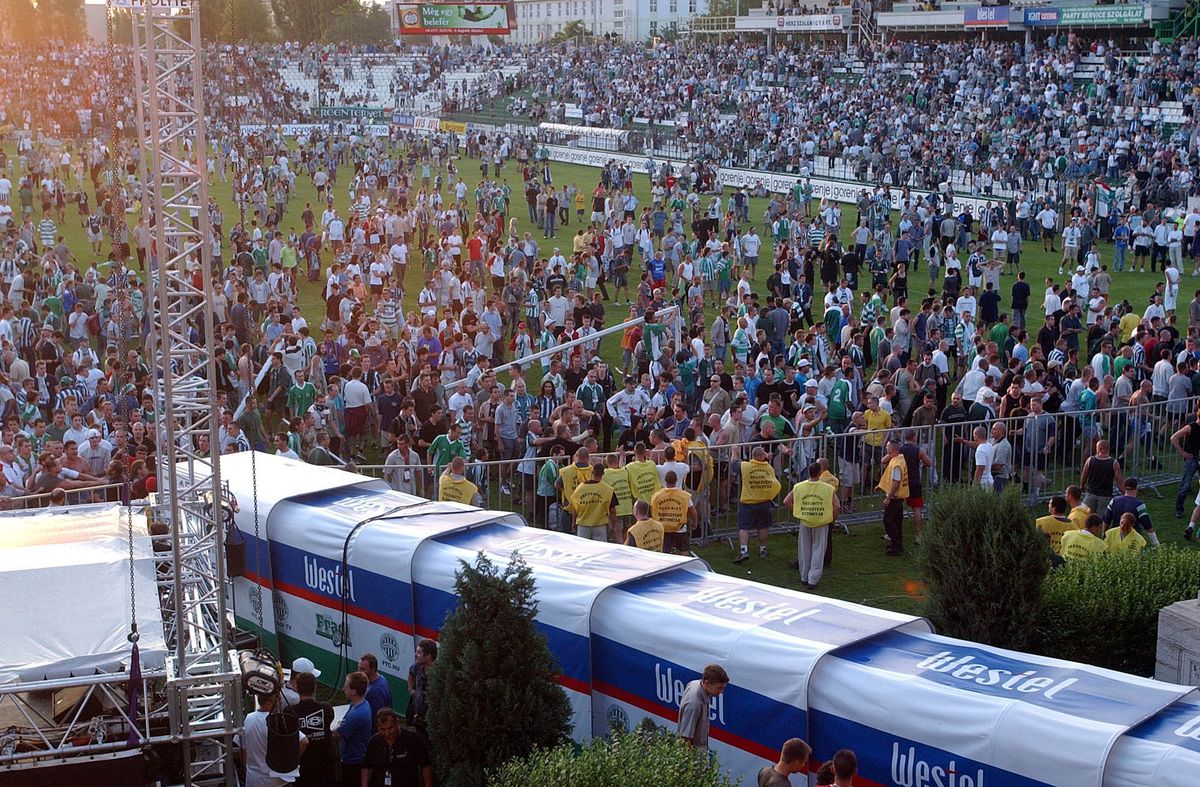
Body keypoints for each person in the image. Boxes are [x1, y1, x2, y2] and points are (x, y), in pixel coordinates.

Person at [783, 461, 839, 589]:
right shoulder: (828, 488)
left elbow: (786, 501)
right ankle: (813, 579)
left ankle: (804, 576)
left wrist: (797, 511)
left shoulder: (798, 486)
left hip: (805, 520)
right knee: (818, 549)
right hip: (821, 521)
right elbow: (837, 506)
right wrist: (832, 518)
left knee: (804, 549)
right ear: (820, 473)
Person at [241, 691, 308, 787]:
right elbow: (304, 741)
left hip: (254, 779)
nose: (278, 704)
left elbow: (243, 749)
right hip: (277, 780)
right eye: (277, 701)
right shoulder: (277, 722)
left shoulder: (248, 719)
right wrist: (289, 759)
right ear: (268, 704)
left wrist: (247, 769)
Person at [361, 707, 433, 787]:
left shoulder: (413, 740)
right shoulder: (374, 742)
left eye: (390, 728)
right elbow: (366, 767)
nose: (387, 733)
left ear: (396, 723)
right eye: (382, 729)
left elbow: (425, 766)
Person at [734, 446, 781, 563]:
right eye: (764, 454)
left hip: (748, 502)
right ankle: (763, 550)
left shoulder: (746, 466)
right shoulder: (768, 468)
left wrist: (734, 452)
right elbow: (774, 483)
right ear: (760, 456)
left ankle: (744, 551)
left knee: (743, 527)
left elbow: (734, 464)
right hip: (764, 502)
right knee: (763, 526)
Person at [291, 672, 335, 787]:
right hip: (324, 769)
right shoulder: (326, 709)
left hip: (303, 770)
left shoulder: (290, 712)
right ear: (315, 687)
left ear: (296, 688)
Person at [676, 663, 729, 750]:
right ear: (706, 682)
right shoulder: (694, 704)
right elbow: (685, 739)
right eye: (719, 688)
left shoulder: (695, 683)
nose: (721, 692)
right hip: (694, 755)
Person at [336, 671, 372, 785]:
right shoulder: (362, 704)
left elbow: (336, 734)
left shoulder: (357, 714)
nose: (343, 689)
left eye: (346, 687)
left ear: (354, 691)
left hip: (353, 762)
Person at [1102, 477, 1160, 546]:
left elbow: (1106, 520)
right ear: (1137, 488)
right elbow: (1147, 525)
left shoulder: (1114, 501)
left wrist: (1104, 534)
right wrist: (1155, 543)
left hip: (1115, 537)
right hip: (1132, 539)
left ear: (1124, 487)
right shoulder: (1139, 505)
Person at [570, 461, 618, 541]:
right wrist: (614, 526)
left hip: (583, 524)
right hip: (600, 525)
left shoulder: (580, 488)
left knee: (583, 551)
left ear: (592, 472)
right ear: (603, 473)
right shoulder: (608, 490)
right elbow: (612, 510)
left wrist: (573, 522)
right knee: (600, 551)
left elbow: (575, 507)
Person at [651, 469, 696, 554]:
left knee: (665, 554)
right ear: (676, 480)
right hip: (680, 529)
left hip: (664, 529)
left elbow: (652, 511)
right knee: (684, 552)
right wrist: (695, 522)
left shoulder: (656, 496)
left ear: (665, 480)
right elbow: (693, 511)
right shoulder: (684, 495)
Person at [877, 438, 909, 556]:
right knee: (897, 521)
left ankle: (896, 545)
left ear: (892, 450)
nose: (886, 450)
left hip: (895, 497)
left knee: (888, 520)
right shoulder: (899, 459)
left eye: (887, 449)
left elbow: (896, 482)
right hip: (899, 496)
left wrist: (888, 497)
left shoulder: (896, 464)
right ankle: (897, 543)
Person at [406, 638, 436, 738]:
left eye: (419, 652)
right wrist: (411, 690)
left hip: (432, 720)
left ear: (428, 656)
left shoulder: (437, 673)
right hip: (418, 718)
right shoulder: (418, 666)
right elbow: (411, 673)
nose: (415, 654)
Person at [1035, 495, 1076, 559]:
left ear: (1054, 508)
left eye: (1050, 504)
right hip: (1064, 559)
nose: (1048, 505)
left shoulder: (1040, 522)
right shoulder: (1073, 526)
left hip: (1044, 557)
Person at [358, 653, 393, 722]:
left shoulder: (374, 692)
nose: (359, 672)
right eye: (359, 668)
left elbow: (373, 717)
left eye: (363, 669)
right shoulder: (382, 678)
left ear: (373, 669)